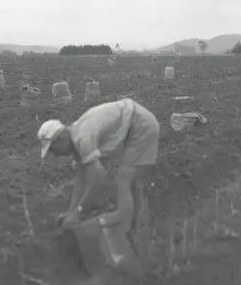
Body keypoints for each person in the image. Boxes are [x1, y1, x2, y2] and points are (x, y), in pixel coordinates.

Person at [37, 98, 159, 259]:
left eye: (53, 150)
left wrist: (79, 211)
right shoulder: (76, 137)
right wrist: (70, 212)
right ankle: (138, 227)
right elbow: (81, 181)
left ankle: (126, 233)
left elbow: (98, 178)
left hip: (141, 124)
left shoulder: (83, 138)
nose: (56, 155)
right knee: (130, 181)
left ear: (61, 139)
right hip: (136, 123)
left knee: (124, 180)